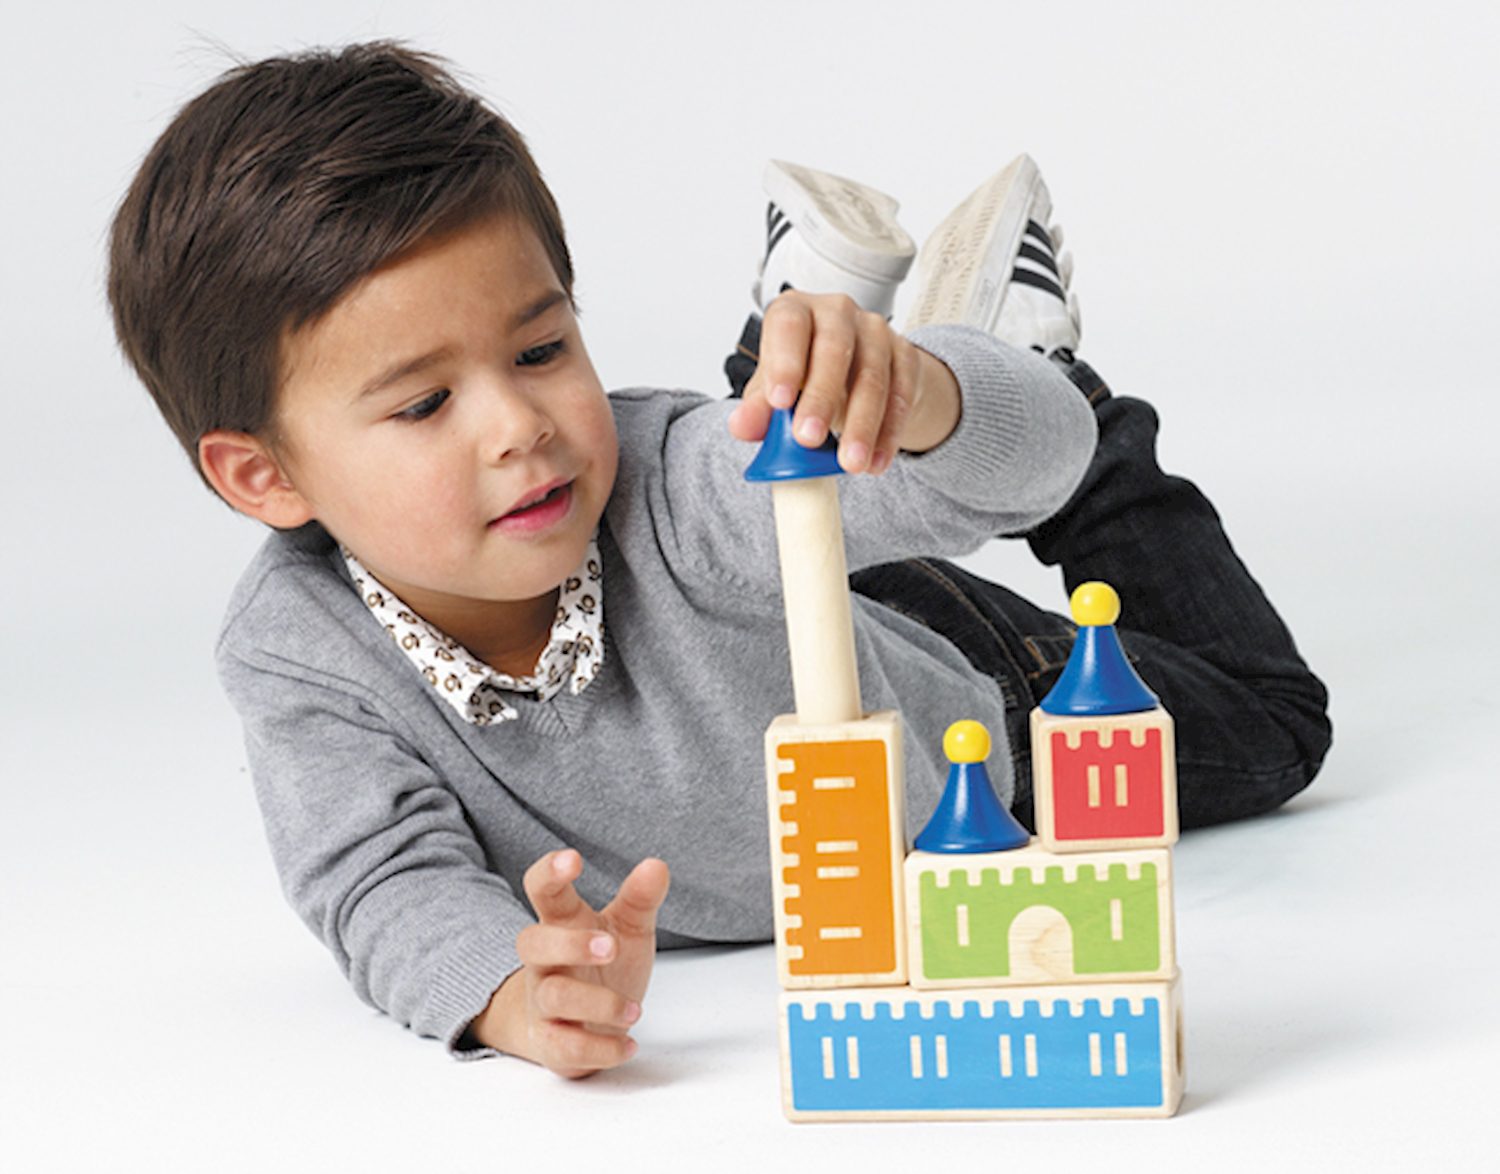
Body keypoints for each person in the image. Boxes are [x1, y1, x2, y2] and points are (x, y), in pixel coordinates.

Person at [107, 42, 1329, 1081]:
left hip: (963, 707)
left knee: (1276, 723)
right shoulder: (297, 652)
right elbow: (378, 878)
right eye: (425, 404)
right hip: (774, 593)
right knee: (788, 475)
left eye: (540, 350)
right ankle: (806, 331)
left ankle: (1016, 366)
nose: (518, 426)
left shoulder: (661, 490)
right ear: (263, 476)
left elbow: (1011, 473)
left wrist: (936, 401)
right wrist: (508, 992)